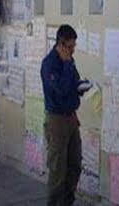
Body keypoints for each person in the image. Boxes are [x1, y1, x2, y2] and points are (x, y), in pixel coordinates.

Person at [41, 25, 84, 206]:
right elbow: (62, 89)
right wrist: (66, 64)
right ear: (61, 44)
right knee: (58, 170)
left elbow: (74, 83)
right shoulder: (50, 64)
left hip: (71, 118)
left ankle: (67, 202)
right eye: (71, 46)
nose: (73, 50)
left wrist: (82, 86)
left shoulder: (69, 60)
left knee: (74, 164)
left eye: (74, 46)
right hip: (57, 120)